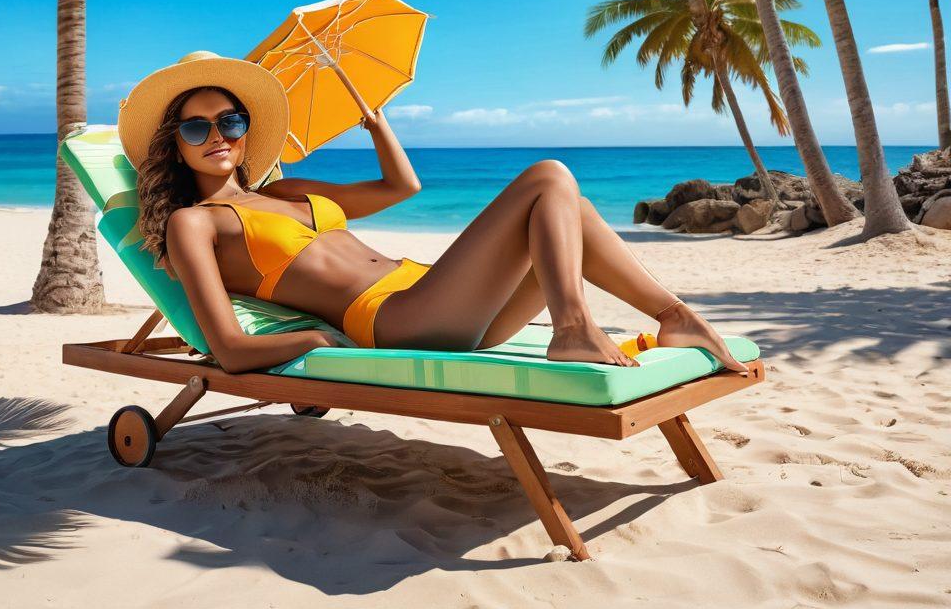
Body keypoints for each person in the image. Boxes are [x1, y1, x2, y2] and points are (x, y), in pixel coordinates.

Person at [118, 51, 749, 376]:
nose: (216, 135)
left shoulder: (284, 191)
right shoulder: (192, 222)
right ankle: (574, 328)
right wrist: (317, 341)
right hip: (397, 320)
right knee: (547, 177)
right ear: (173, 143)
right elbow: (227, 348)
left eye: (229, 120)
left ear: (247, 129)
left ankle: (675, 317)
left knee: (570, 205)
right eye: (196, 127)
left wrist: (376, 122)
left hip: (439, 295)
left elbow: (400, 186)